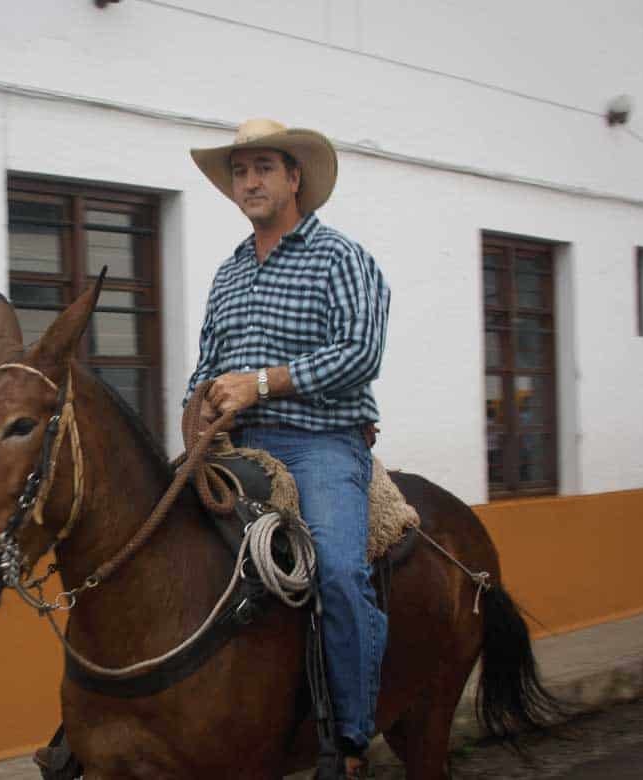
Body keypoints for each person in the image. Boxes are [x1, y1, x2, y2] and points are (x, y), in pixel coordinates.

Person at [187, 119, 391, 778]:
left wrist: (264, 383)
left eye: (263, 168)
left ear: (294, 178)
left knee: (335, 569)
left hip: (321, 443)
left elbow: (361, 353)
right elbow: (206, 366)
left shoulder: (341, 257)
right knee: (141, 538)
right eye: (239, 171)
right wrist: (198, 407)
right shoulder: (227, 273)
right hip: (234, 444)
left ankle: (352, 737)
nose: (249, 181)